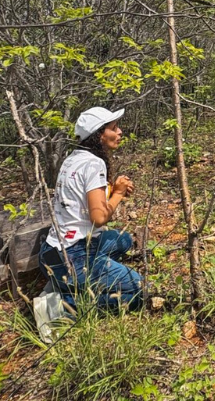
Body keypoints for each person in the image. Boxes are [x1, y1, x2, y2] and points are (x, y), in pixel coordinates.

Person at [39, 107, 143, 311]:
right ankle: (61, 307)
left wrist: (114, 188)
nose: (120, 132)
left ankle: (69, 283)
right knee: (137, 291)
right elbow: (99, 217)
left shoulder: (73, 158)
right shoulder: (94, 164)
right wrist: (119, 194)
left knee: (123, 240)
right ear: (99, 135)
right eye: (113, 128)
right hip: (73, 256)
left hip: (51, 251)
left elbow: (81, 200)